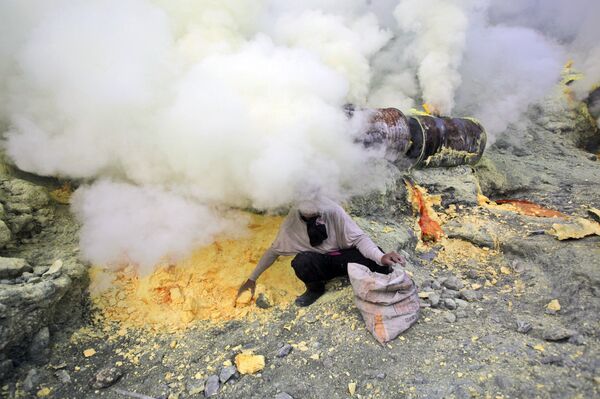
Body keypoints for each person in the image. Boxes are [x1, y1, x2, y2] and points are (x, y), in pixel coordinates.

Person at [236, 198, 405, 307]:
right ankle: (315, 289)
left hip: (345, 256)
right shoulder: (291, 224)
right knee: (301, 262)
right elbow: (273, 252)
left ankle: (380, 280)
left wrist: (380, 257)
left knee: (378, 260)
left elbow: (359, 239)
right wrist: (252, 279)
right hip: (323, 263)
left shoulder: (333, 210)